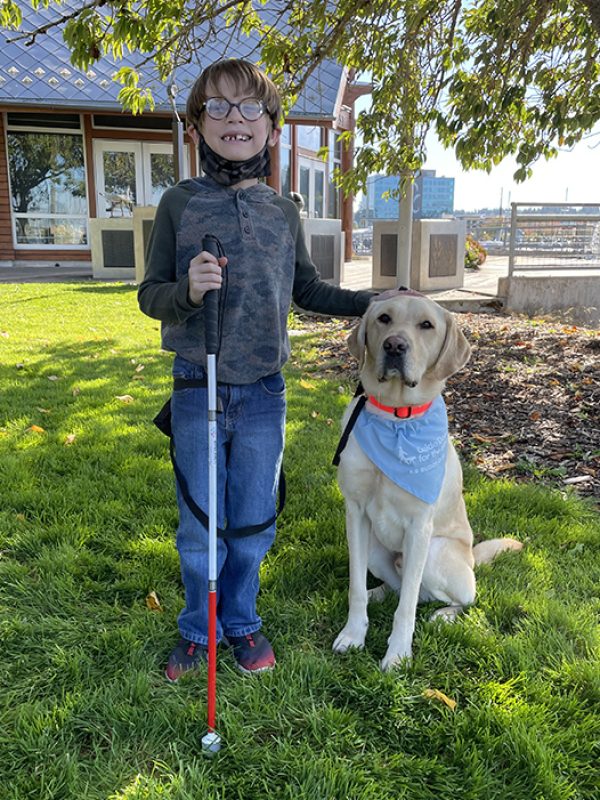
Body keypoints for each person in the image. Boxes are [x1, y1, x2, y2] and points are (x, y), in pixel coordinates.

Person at [138, 58, 373, 681]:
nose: (233, 119)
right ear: (197, 125)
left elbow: (309, 289)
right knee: (201, 525)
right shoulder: (178, 204)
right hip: (197, 386)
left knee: (251, 519)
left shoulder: (282, 210)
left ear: (271, 127)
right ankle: (198, 626)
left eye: (249, 109)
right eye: (217, 107)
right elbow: (149, 293)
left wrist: (372, 302)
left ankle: (241, 621)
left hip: (265, 391)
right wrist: (186, 290)